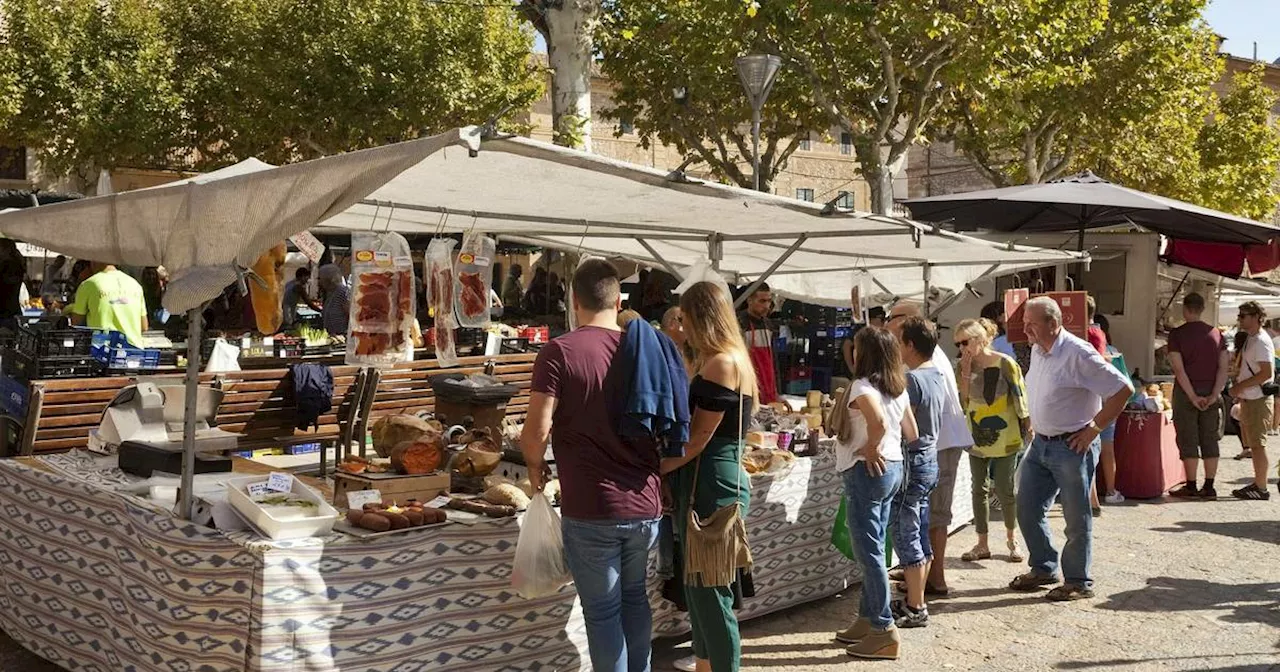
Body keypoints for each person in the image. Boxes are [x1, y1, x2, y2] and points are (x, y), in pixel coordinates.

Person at [521, 259, 662, 672]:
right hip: (645, 503)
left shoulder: (559, 351)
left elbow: (537, 430)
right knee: (635, 601)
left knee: (603, 614)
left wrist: (534, 465)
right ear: (619, 301)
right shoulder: (645, 348)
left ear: (574, 301)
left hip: (593, 507)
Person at [659, 281, 757, 672]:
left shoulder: (721, 363)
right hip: (709, 480)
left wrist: (655, 468)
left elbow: (698, 439)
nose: (681, 327)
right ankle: (704, 665)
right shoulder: (726, 358)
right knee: (699, 589)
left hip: (712, 483)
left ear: (699, 317)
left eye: (684, 318)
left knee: (711, 593)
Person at [1010, 297, 1132, 601]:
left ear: (1053, 323)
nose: (1025, 329)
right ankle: (1044, 567)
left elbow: (1123, 390)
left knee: (1076, 518)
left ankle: (1078, 581)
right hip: (1042, 444)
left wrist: (1094, 429)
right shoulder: (1039, 350)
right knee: (1026, 508)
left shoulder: (1079, 353)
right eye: (1024, 321)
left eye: (1031, 323)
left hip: (1071, 446)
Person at [830, 327, 916, 660]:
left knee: (869, 554)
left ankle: (882, 629)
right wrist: (881, 442)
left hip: (867, 472)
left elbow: (878, 421)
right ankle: (867, 619)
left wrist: (870, 445)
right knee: (875, 547)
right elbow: (913, 431)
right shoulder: (898, 388)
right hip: (891, 469)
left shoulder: (862, 386)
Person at [886, 301, 972, 596]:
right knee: (924, 515)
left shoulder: (923, 361)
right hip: (935, 443)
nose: (887, 325)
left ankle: (933, 579)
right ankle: (921, 574)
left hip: (937, 443)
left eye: (891, 319)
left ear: (906, 322)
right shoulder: (922, 357)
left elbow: (909, 413)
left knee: (931, 516)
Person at [953, 318, 1027, 564]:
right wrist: (965, 373)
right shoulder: (962, 366)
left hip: (1006, 433)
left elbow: (1019, 396)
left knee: (1005, 489)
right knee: (978, 488)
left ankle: (1012, 539)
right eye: (958, 344)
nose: (962, 348)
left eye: (965, 342)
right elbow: (964, 402)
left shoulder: (1005, 363)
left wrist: (1027, 425)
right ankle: (982, 542)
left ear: (979, 339)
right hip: (975, 432)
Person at [889, 316, 946, 629]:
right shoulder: (934, 373)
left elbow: (897, 420)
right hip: (927, 458)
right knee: (918, 529)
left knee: (905, 529)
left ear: (909, 345)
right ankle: (916, 598)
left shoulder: (913, 380)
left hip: (912, 460)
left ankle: (916, 605)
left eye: (899, 341)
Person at [1228, 301, 1273, 501]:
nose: (1239, 319)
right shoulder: (1251, 339)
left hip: (1258, 399)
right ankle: (1258, 483)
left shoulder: (1261, 341)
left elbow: (1266, 373)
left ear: (1255, 317)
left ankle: (1262, 487)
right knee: (1253, 443)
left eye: (1243, 316)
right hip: (1250, 397)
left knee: (1257, 444)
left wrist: (1240, 387)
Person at [1087, 313, 1125, 514]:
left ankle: (1090, 496)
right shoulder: (1113, 351)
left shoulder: (1078, 347)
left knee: (1085, 450)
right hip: (1109, 404)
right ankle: (1110, 490)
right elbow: (1124, 380)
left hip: (1088, 406)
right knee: (1107, 450)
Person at [68, 262, 148, 347]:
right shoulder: (135, 284)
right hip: (134, 350)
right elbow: (144, 326)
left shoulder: (89, 284)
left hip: (103, 350)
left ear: (93, 261)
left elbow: (76, 322)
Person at [737, 283, 778, 404]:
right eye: (762, 301)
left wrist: (777, 393)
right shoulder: (739, 324)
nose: (766, 306)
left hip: (768, 388)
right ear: (749, 300)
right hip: (747, 390)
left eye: (769, 301)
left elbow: (774, 362)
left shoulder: (769, 325)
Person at [317, 264, 350, 338]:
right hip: (332, 336)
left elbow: (350, 314)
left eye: (320, 278)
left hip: (341, 336)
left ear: (329, 279)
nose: (319, 282)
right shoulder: (330, 293)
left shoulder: (342, 292)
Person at [0, 240, 26, 330]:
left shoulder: (8, 265)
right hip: (12, 310)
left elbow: (6, 284)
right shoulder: (17, 263)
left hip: (5, 312)